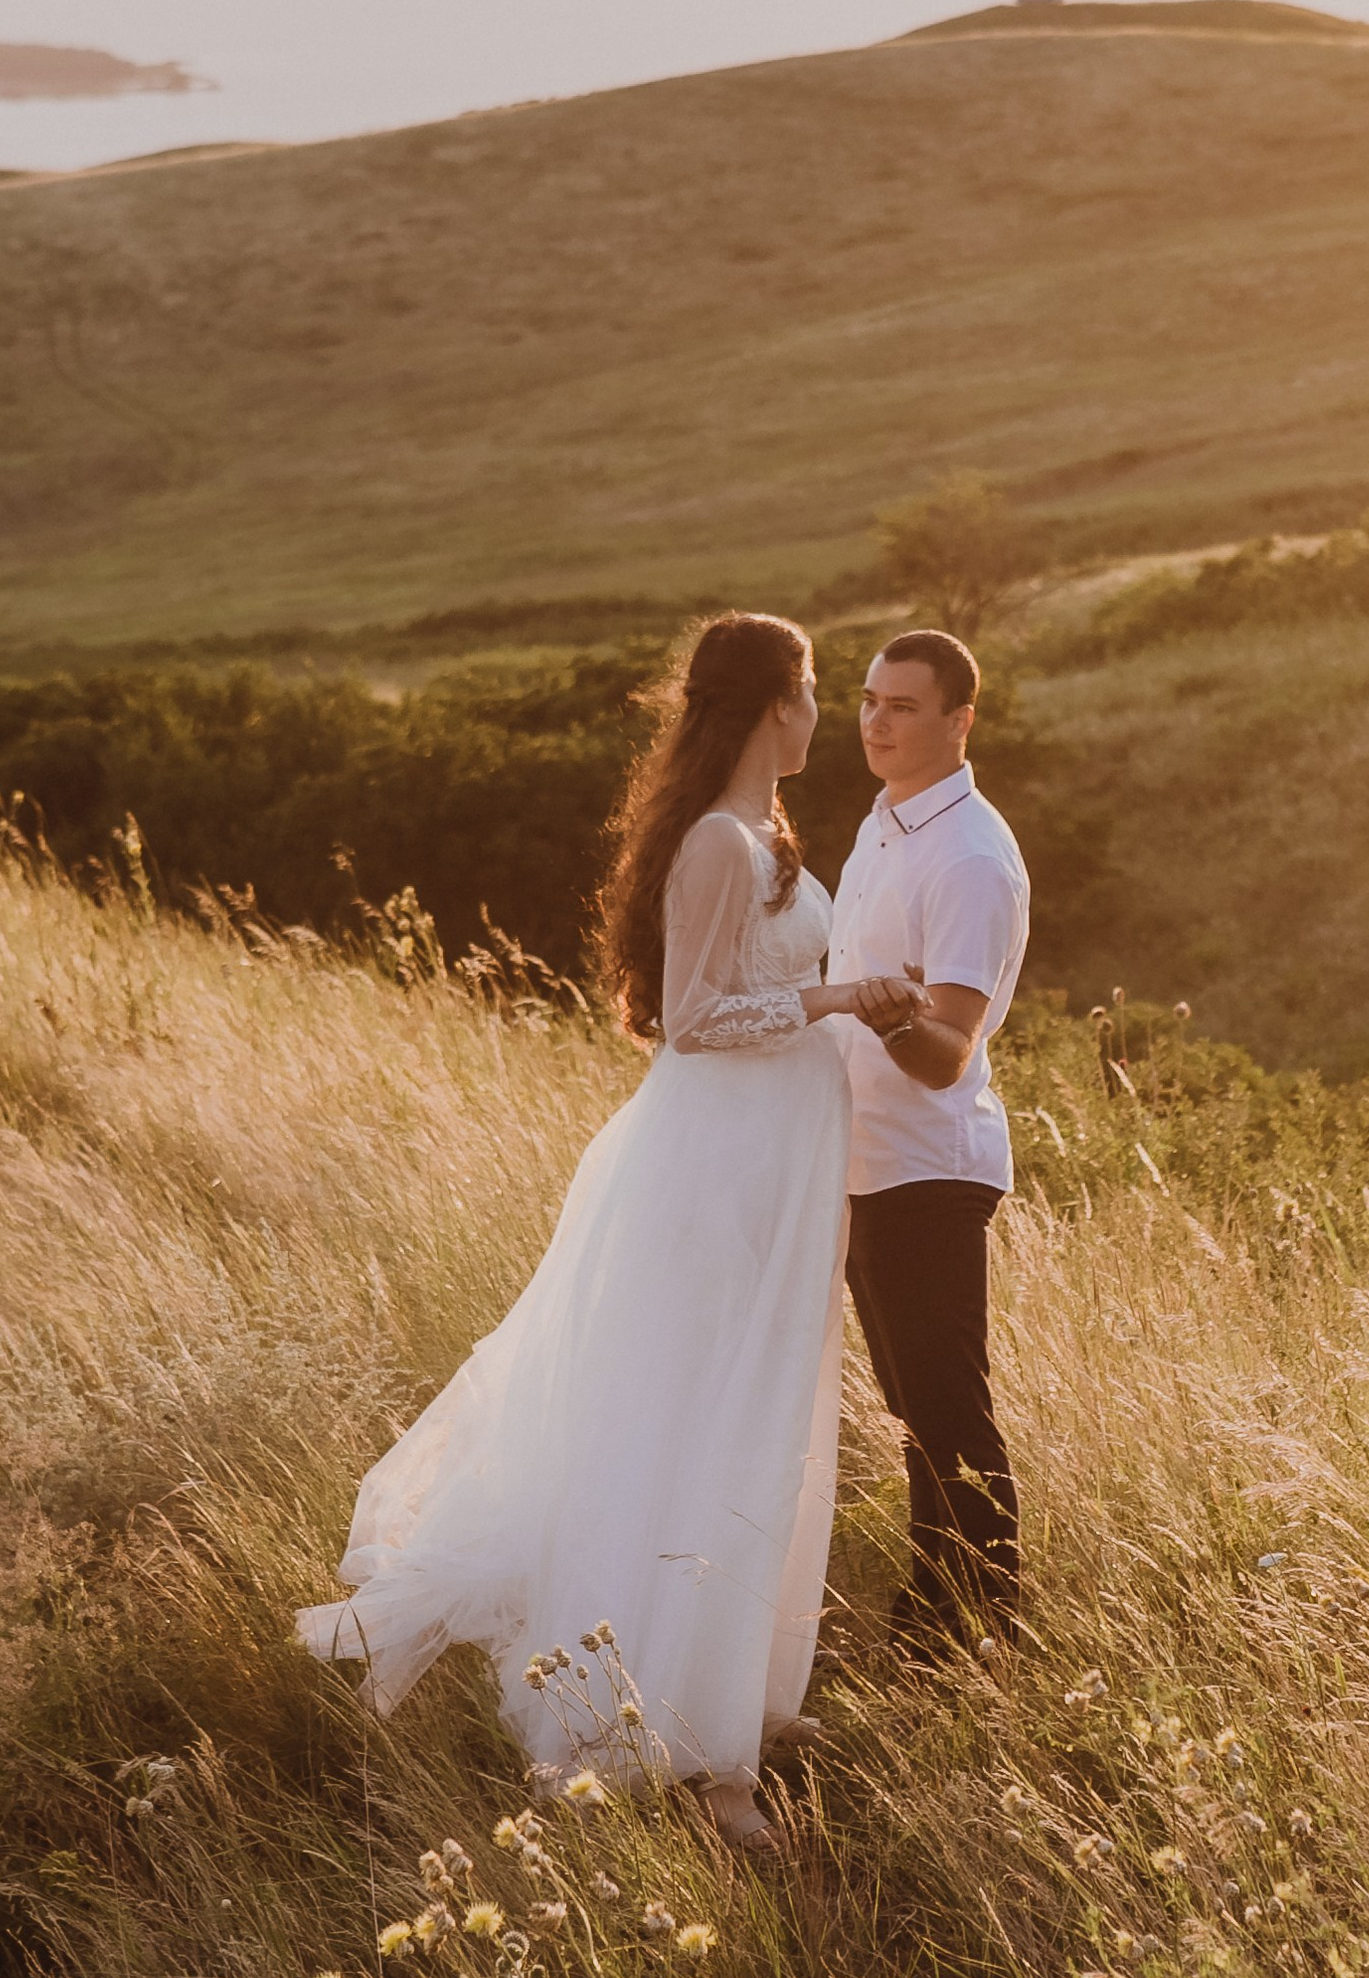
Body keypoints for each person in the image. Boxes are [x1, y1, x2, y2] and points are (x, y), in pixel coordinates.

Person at [294, 613, 923, 1849]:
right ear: (764, 708)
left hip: (775, 1172)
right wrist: (843, 993)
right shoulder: (714, 845)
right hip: (718, 1169)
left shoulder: (767, 835)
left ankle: (729, 1700)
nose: (818, 716)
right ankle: (695, 1753)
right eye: (805, 692)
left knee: (759, 1425)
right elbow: (690, 1018)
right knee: (704, 1429)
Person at [824, 628, 1033, 1649]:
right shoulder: (884, 825)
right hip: (865, 1161)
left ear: (959, 722)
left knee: (948, 1409)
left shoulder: (968, 856)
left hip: (928, 1167)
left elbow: (947, 1050)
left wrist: (882, 1015)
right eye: (868, 700)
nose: (876, 722)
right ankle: (932, 1609)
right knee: (913, 1406)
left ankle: (986, 1623)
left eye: (903, 707)